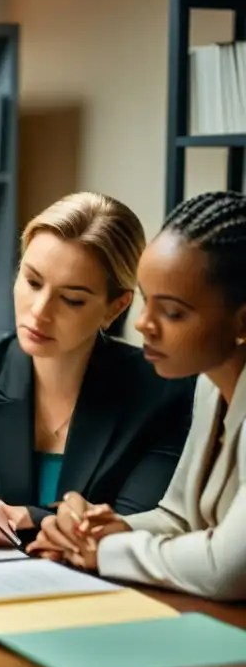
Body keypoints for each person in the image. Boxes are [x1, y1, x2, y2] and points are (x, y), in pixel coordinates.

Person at [0, 192, 195, 546]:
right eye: (33, 282)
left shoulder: (161, 390)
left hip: (100, 587)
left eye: (71, 299)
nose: (39, 312)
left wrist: (28, 517)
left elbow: (130, 520)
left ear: (114, 308)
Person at [29, 190, 246, 601]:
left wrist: (104, 551)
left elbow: (227, 569)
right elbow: (180, 518)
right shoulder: (207, 385)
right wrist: (93, 531)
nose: (144, 324)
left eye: (173, 312)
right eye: (147, 303)